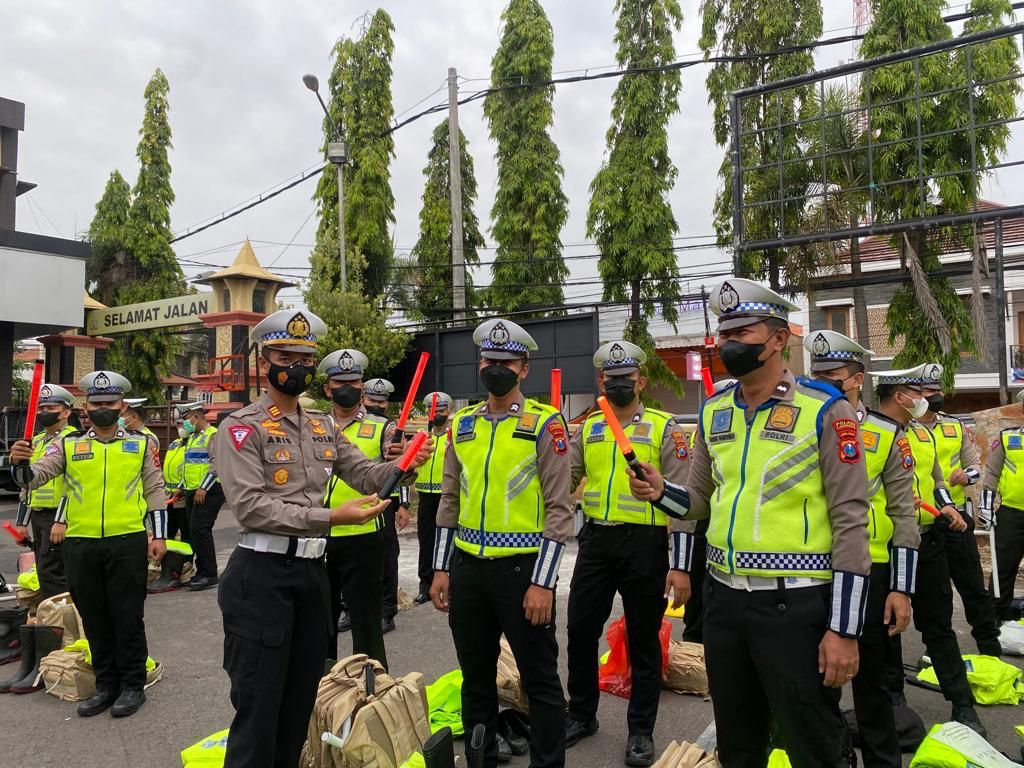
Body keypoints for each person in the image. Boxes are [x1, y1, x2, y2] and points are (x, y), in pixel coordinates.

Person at [627, 278, 871, 768]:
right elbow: (698, 500)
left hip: (795, 606)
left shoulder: (826, 410)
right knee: (738, 745)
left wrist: (844, 628)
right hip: (723, 603)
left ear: (779, 338)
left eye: (743, 330)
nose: (728, 343)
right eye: (723, 332)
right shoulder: (715, 410)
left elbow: (851, 521)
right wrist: (660, 492)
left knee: (813, 743)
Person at [211, 310, 432, 768]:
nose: (295, 365)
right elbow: (251, 507)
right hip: (262, 576)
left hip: (312, 574)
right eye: (284, 355)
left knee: (300, 704)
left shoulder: (322, 426)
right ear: (262, 359)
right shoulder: (241, 427)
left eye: (305, 357)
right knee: (258, 707)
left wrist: (408, 460)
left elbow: (368, 474)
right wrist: (333, 517)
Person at [431, 318, 571, 768]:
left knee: (539, 680)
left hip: (523, 572)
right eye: (489, 361)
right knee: (475, 681)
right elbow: (449, 500)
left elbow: (559, 510)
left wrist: (544, 583)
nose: (496, 368)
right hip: (469, 569)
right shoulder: (463, 424)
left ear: (523, 369)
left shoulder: (546, 424)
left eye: (506, 362)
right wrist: (441, 568)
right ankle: (481, 761)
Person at [564, 341, 692, 767]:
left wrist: (681, 565)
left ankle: (641, 731)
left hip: (645, 546)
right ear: (602, 382)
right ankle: (582, 715)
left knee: (643, 639)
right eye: (611, 379)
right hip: (596, 542)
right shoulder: (589, 428)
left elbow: (685, 500)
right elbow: (566, 480)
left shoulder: (663, 427)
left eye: (627, 378)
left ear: (641, 380)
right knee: (581, 629)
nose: (620, 384)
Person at [10, 370, 167, 718]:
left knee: (127, 617)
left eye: (110, 403)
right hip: (81, 544)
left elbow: (156, 490)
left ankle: (131, 685)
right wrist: (19, 463)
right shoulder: (70, 445)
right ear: (85, 406)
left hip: (127, 541)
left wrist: (159, 536)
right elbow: (35, 477)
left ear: (122, 406)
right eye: (96, 403)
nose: (103, 409)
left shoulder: (141, 444)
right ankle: (106, 685)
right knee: (93, 618)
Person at [805, 330, 918, 768]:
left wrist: (902, 589)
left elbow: (905, 514)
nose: (820, 382)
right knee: (816, 682)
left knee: (872, 684)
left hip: (872, 572)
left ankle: (882, 761)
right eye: (815, 375)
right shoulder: (802, 424)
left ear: (856, 379)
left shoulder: (886, 433)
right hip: (814, 568)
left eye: (831, 375)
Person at [871, 363, 986, 736]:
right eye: (917, 393)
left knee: (937, 625)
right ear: (898, 395)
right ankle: (894, 701)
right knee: (888, 628)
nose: (925, 400)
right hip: (885, 545)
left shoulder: (920, 435)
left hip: (926, 541)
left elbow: (936, 478)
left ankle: (963, 705)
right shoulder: (865, 432)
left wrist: (945, 505)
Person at [319, 355, 402, 666]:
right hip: (319, 534)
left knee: (367, 627)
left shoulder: (382, 428)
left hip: (364, 536)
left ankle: (371, 693)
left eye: (354, 383)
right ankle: (322, 693)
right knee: (319, 624)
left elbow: (394, 470)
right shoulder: (313, 426)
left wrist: (403, 463)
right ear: (328, 389)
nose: (347, 389)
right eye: (340, 384)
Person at [916, 384, 1002, 656]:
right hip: (923, 520)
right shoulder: (904, 430)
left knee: (974, 586)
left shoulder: (954, 427)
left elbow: (976, 465)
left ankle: (990, 649)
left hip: (956, 521)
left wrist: (968, 476)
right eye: (929, 391)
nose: (936, 396)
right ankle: (937, 653)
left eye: (937, 389)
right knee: (934, 595)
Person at [13, 383, 76, 600]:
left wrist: (62, 520)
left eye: (51, 408)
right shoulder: (37, 441)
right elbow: (27, 486)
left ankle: (62, 622)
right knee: (43, 570)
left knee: (55, 573)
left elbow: (74, 484)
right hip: (38, 517)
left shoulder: (73, 440)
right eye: (41, 408)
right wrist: (22, 522)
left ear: (66, 412)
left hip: (59, 517)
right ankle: (51, 618)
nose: (44, 413)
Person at [363, 377, 411, 635]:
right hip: (349, 502)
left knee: (386, 557)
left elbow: (399, 467)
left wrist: (403, 503)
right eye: (372, 400)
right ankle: (350, 608)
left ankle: (386, 610)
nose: (376, 405)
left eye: (381, 402)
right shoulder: (342, 424)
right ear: (363, 398)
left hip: (383, 501)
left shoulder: (389, 428)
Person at [980, 389, 1024, 621]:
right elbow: (992, 475)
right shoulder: (1008, 437)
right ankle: (994, 621)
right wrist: (986, 508)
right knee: (1002, 570)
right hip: (1011, 515)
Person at [176, 402, 223, 591]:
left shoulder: (213, 435)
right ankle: (200, 570)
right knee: (193, 530)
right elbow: (190, 465)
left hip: (208, 491)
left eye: (186, 419)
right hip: (192, 490)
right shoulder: (194, 437)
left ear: (196, 417)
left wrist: (203, 488)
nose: (184, 424)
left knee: (200, 529)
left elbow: (217, 464)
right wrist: (180, 487)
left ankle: (209, 573)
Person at [414, 391, 451, 604]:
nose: (436, 414)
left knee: (448, 541)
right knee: (426, 541)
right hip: (425, 495)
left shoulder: (454, 435)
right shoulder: (421, 436)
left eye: (441, 410)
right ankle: (425, 585)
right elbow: (407, 466)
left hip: (446, 495)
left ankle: (449, 582)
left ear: (449, 411)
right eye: (432, 410)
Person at [163, 418, 187, 541]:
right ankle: (170, 559)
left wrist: (181, 487)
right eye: (178, 424)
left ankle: (186, 559)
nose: (180, 427)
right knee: (168, 532)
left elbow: (191, 468)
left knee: (185, 531)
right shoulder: (175, 443)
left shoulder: (194, 443)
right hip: (169, 494)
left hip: (182, 495)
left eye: (182, 424)